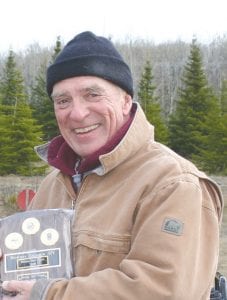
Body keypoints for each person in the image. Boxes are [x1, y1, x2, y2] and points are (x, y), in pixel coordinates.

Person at [1, 31, 223, 299]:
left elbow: (163, 290)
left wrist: (49, 294)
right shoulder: (54, 183)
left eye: (92, 95)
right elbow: (29, 266)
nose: (78, 113)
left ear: (125, 101)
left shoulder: (172, 182)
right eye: (63, 101)